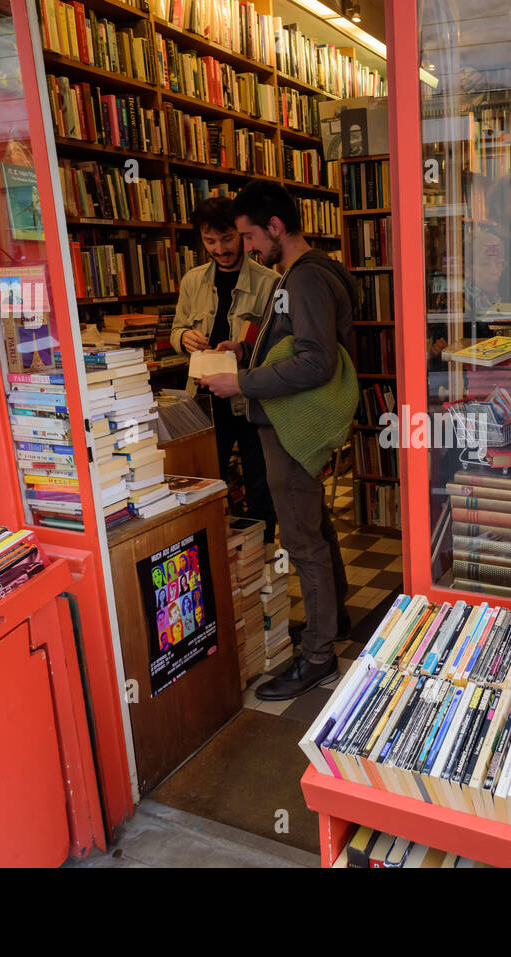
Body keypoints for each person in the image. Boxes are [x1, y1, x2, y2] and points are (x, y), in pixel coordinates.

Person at [202, 182, 358, 701]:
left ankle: (318, 657)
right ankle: (332, 625)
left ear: (274, 228)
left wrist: (241, 382)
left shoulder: (307, 277)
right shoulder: (308, 272)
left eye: (247, 236)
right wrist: (245, 348)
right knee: (315, 528)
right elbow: (291, 340)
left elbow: (315, 360)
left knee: (302, 540)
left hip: (290, 427)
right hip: (290, 424)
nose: (244, 248)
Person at [171, 196, 279, 541]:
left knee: (260, 483)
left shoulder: (269, 283)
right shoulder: (192, 281)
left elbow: (278, 348)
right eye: (209, 241)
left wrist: (245, 353)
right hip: (204, 402)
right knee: (205, 482)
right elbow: (176, 329)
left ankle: (261, 557)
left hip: (248, 399)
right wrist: (185, 336)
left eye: (227, 238)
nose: (220, 249)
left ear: (243, 235)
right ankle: (219, 554)